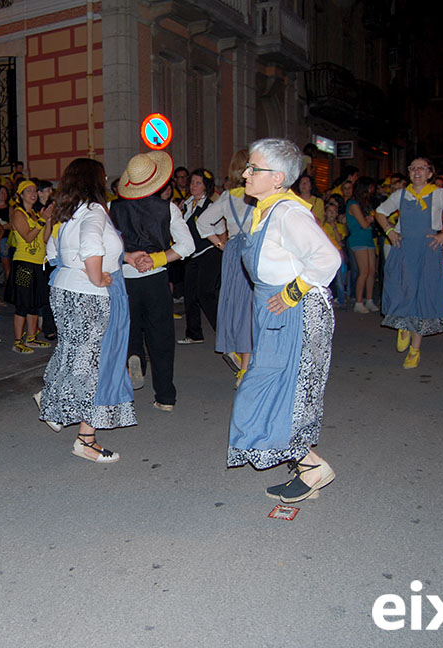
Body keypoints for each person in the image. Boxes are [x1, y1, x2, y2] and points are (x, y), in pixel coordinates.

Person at [227, 138, 340, 504]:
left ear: (276, 178)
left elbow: (327, 259)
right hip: (274, 312)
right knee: (277, 391)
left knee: (273, 391)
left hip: (293, 313)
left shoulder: (289, 213)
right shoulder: (267, 210)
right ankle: (305, 469)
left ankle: (312, 465)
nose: (245, 173)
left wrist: (293, 292)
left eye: (253, 168)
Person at [39, 158, 142, 462]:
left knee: (72, 353)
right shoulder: (95, 211)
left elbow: (54, 251)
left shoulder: (70, 212)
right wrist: (98, 276)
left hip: (65, 289)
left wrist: (125, 258)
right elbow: (91, 247)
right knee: (94, 364)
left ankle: (53, 401)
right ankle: (86, 439)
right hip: (89, 295)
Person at [110, 151, 194, 412]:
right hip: (156, 279)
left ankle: (134, 357)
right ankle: (165, 396)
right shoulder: (167, 209)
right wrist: (156, 259)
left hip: (125, 278)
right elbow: (187, 246)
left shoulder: (113, 209)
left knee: (129, 329)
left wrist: (127, 258)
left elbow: (105, 246)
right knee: (161, 337)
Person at [373, 158, 443, 368]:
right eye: (413, 168)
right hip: (404, 249)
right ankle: (403, 325)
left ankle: (415, 350)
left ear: (429, 173)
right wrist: (390, 232)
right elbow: (379, 212)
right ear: (409, 173)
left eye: (422, 168)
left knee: (421, 297)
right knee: (398, 288)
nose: (417, 171)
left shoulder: (438, 194)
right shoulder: (400, 194)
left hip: (428, 250)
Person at [204, 150, 252, 386]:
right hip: (253, 250)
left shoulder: (226, 198)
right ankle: (245, 367)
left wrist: (222, 244)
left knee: (234, 304)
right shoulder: (257, 196)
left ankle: (236, 351)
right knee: (250, 306)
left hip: (233, 252)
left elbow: (203, 223)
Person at [6, 180, 53, 352]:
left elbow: (45, 238)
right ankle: (18, 340)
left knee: (35, 302)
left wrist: (47, 221)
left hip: (38, 263)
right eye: (28, 191)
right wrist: (42, 219)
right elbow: (27, 237)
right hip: (23, 264)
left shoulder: (35, 214)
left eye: (34, 191)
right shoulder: (19, 214)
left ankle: (32, 337)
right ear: (21, 195)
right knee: (23, 303)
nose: (33, 194)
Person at [177, 168, 222, 346]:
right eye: (192, 182)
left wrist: (222, 247)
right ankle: (194, 333)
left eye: (198, 183)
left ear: (206, 187)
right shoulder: (186, 204)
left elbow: (220, 231)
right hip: (192, 254)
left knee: (205, 293)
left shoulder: (210, 206)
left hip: (209, 252)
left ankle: (223, 331)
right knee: (190, 294)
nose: (193, 186)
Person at [347, 177, 378, 313]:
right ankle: (358, 302)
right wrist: (370, 219)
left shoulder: (364, 204)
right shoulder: (353, 204)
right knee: (363, 271)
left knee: (372, 271)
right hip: (358, 239)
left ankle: (369, 299)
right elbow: (364, 224)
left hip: (368, 238)